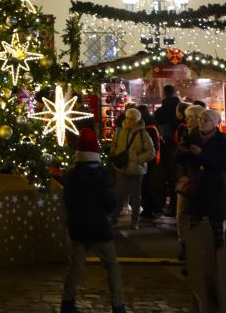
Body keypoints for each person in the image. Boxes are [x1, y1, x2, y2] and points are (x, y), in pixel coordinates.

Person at [61, 127, 126, 313]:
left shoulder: (72, 175)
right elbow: (110, 201)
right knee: (112, 266)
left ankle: (67, 302)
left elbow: (67, 200)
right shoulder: (101, 174)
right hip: (99, 227)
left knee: (76, 265)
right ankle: (118, 305)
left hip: (78, 227)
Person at [181, 108, 226, 250]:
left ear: (214, 123)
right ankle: (195, 263)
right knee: (195, 227)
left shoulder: (221, 141)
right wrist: (183, 152)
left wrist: (202, 155)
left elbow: (220, 164)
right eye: (200, 119)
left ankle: (217, 263)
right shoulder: (192, 137)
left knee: (215, 228)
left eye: (205, 120)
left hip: (214, 189)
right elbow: (178, 158)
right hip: (195, 187)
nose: (201, 122)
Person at [110, 107, 155, 229]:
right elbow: (114, 146)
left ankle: (135, 221)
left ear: (137, 120)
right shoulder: (119, 132)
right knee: (118, 195)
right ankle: (113, 218)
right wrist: (115, 156)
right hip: (121, 168)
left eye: (133, 119)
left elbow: (151, 152)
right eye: (128, 118)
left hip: (136, 170)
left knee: (136, 197)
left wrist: (137, 160)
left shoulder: (143, 134)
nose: (130, 121)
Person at [173, 103, 203, 259]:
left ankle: (188, 248)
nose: (187, 120)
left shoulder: (196, 136)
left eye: (190, 117)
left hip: (192, 181)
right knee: (185, 215)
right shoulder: (187, 133)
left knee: (186, 215)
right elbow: (179, 155)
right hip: (187, 179)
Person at [154, 84, 180, 215]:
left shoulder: (160, 111)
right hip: (180, 147)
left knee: (167, 178)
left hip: (166, 148)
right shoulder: (181, 108)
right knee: (178, 177)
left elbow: (161, 130)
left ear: (163, 94)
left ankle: (166, 206)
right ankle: (177, 205)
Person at [137, 104, 162, 220]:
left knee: (146, 185)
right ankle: (151, 208)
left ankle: (152, 209)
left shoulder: (149, 128)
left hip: (149, 161)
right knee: (146, 185)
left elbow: (154, 147)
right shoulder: (151, 126)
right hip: (149, 160)